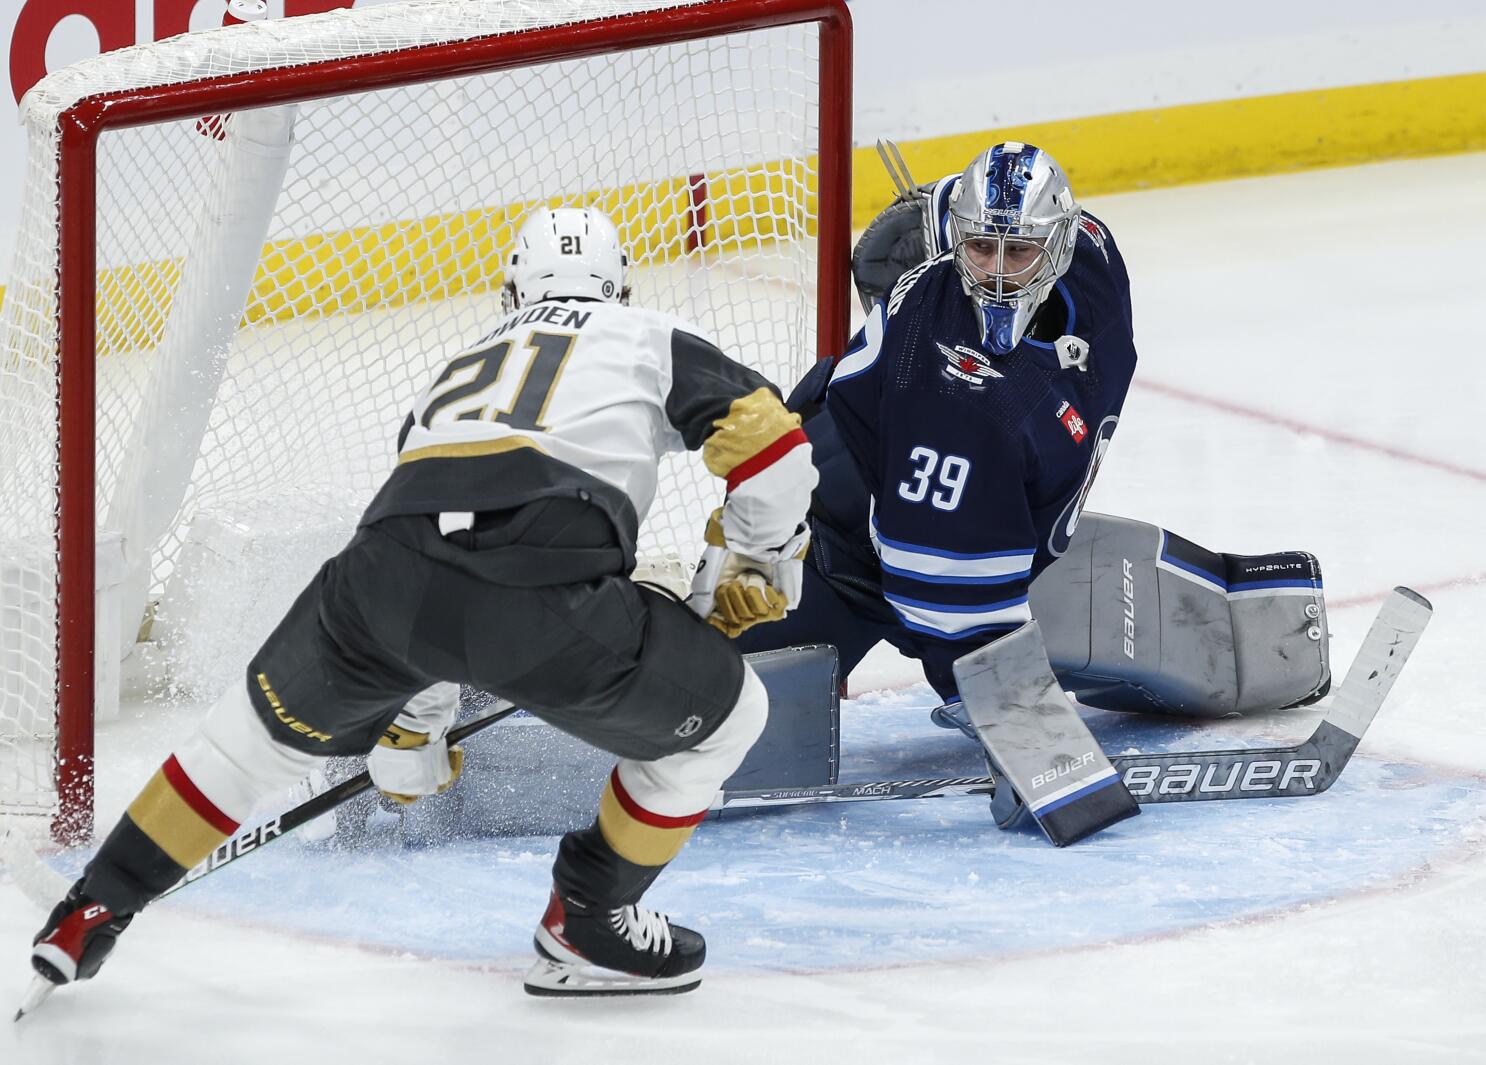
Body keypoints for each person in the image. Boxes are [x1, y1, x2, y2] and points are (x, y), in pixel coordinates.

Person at [29, 206, 816, 998]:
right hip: (544, 593)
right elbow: (774, 441)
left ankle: (90, 907)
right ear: (620, 286)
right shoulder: (645, 333)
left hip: (376, 581)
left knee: (238, 752)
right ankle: (589, 920)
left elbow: (434, 556)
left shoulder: (455, 371)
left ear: (512, 293)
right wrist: (753, 556)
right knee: (733, 717)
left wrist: (412, 730)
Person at [734, 141, 1135, 707]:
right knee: (720, 726)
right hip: (827, 547)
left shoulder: (1095, 260)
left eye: (1018, 250)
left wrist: (944, 206)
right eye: (978, 249)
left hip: (881, 473)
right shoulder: (956, 404)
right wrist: (998, 700)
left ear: (1062, 241)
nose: (998, 273)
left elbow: (984, 208)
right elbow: (944, 605)